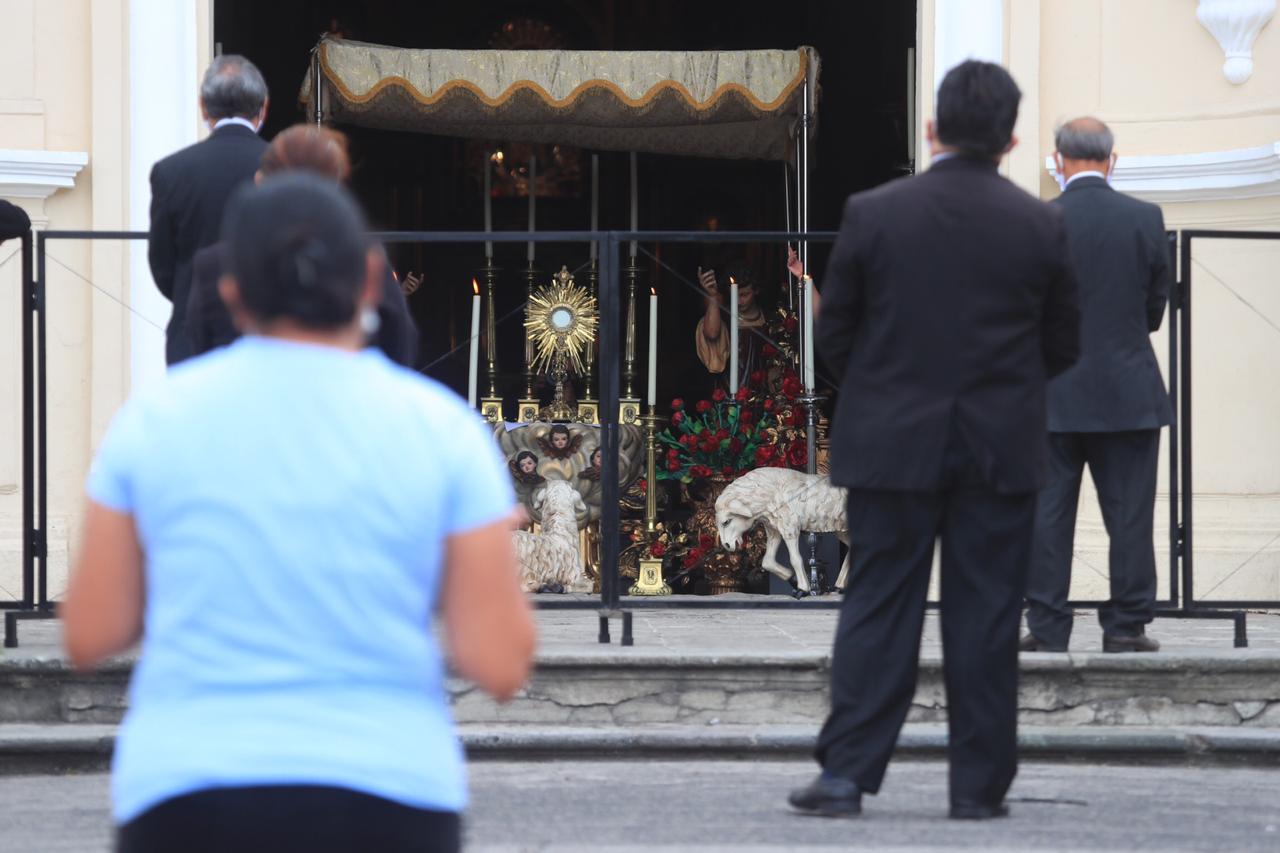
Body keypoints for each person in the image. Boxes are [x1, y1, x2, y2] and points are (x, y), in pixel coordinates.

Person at [62, 174, 535, 853]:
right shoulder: (442, 429)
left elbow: (90, 630)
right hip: (389, 789)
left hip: (189, 789)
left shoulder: (154, 422)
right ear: (372, 279)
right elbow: (498, 660)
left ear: (231, 289)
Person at [791, 61, 1080, 820]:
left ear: (931, 129)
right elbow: (1063, 343)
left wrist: (883, 395)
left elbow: (836, 334)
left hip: (891, 444)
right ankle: (977, 789)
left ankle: (847, 774)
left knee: (880, 602)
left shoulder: (873, 212)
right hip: (999, 447)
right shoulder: (1042, 224)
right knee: (985, 614)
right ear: (1013, 139)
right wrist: (1004, 394)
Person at [1022, 118, 1172, 654]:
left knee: (1047, 515)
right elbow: (1155, 309)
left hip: (1052, 396)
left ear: (1058, 161)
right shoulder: (1145, 219)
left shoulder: (1038, 221)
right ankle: (1127, 626)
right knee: (1130, 516)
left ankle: (1046, 628)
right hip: (1129, 392)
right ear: (1114, 161)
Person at [185, 124, 418, 366]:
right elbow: (401, 346)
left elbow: (200, 347)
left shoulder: (217, 264)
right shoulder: (364, 261)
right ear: (336, 182)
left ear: (260, 178)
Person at [148, 54, 269, 365]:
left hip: (193, 334)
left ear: (203, 105)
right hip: (267, 337)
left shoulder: (171, 170)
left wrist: (194, 293)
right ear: (263, 107)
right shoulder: (286, 167)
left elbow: (162, 265)